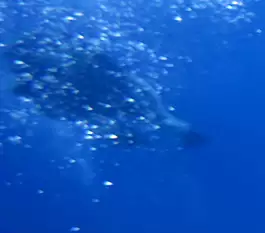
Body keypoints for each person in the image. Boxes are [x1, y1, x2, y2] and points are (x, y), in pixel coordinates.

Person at [4, 31, 207, 148]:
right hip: (106, 97)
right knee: (155, 117)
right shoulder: (47, 85)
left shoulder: (73, 61)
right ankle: (180, 134)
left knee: (157, 117)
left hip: (114, 93)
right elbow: (77, 114)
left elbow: (79, 113)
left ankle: (183, 133)